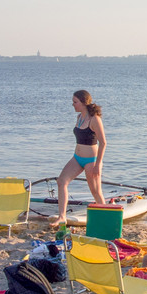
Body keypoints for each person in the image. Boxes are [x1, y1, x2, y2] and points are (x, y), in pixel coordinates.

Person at [50, 90, 107, 227]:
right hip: (77, 158)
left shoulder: (94, 119)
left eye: (75, 102)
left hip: (91, 161)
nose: (73, 104)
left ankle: (106, 217)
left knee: (96, 191)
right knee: (61, 181)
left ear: (83, 102)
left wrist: (98, 164)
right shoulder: (79, 118)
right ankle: (62, 216)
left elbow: (103, 143)